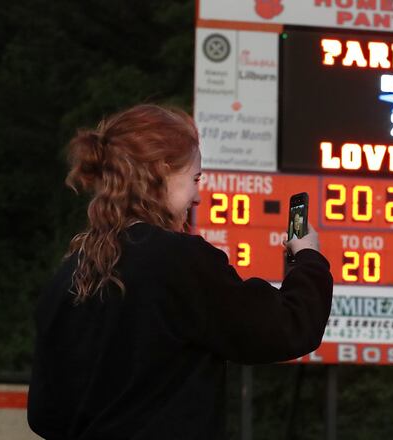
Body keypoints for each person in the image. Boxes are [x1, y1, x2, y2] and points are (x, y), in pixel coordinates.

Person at [27, 104, 333, 439]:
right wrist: (308, 258)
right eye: (195, 179)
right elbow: (287, 328)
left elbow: (45, 415)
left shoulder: (70, 272)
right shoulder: (179, 261)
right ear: (161, 172)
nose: (198, 197)